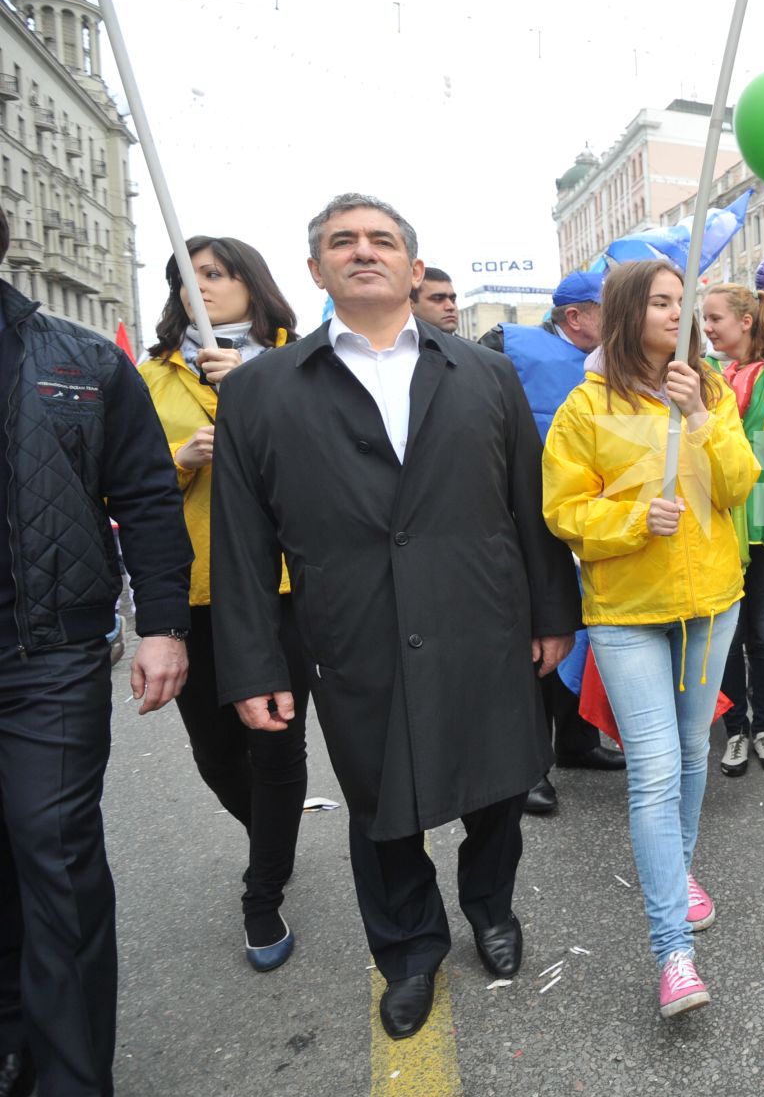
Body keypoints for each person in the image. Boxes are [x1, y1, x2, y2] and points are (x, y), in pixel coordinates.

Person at [212, 193, 582, 1040]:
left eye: (383, 240)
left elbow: (528, 504)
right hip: (354, 634)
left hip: (483, 617)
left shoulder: (483, 375)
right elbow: (239, 543)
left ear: (414, 269)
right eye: (343, 242)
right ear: (316, 270)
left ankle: (491, 906)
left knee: (497, 784)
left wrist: (552, 611)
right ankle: (409, 949)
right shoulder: (264, 390)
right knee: (383, 805)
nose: (363, 251)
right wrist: (254, 665)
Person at [0, 209, 192, 1097]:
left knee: (57, 853)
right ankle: (13, 1037)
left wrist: (163, 626)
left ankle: (77, 1096)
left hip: (51, 657)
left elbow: (148, 495)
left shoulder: (83, 361)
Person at [544, 258, 757, 1014]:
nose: (678, 313)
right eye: (662, 301)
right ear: (630, 312)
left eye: (684, 302)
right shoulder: (585, 405)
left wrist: (700, 417)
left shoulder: (707, 389)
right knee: (656, 768)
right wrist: (635, 521)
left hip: (710, 604)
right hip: (628, 612)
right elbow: (564, 511)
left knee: (694, 750)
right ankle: (673, 950)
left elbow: (738, 486)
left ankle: (679, 866)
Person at [137, 234, 311, 971]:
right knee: (216, 750)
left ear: (253, 284)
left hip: (282, 589)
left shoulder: (300, 367)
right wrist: (181, 460)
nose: (197, 288)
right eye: (185, 277)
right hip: (197, 590)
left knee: (277, 738)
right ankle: (271, 835)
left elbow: (331, 471)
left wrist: (254, 393)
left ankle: (261, 891)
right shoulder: (150, 380)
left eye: (215, 273)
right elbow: (126, 492)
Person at [478, 269, 626, 816]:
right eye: (610, 312)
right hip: (531, 523)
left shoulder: (621, 362)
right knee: (542, 642)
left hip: (597, 519)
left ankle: (577, 742)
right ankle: (529, 767)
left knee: (586, 636)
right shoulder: (504, 351)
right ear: (576, 317)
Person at [701, 282, 764, 779]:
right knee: (727, 634)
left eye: (715, 318)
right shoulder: (699, 373)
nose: (707, 328)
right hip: (717, 519)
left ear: (746, 321)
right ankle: (734, 730)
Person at [409, 265, 458, 334]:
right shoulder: (393, 344)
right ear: (410, 305)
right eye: (438, 299)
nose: (451, 307)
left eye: (453, 299)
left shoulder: (470, 345)